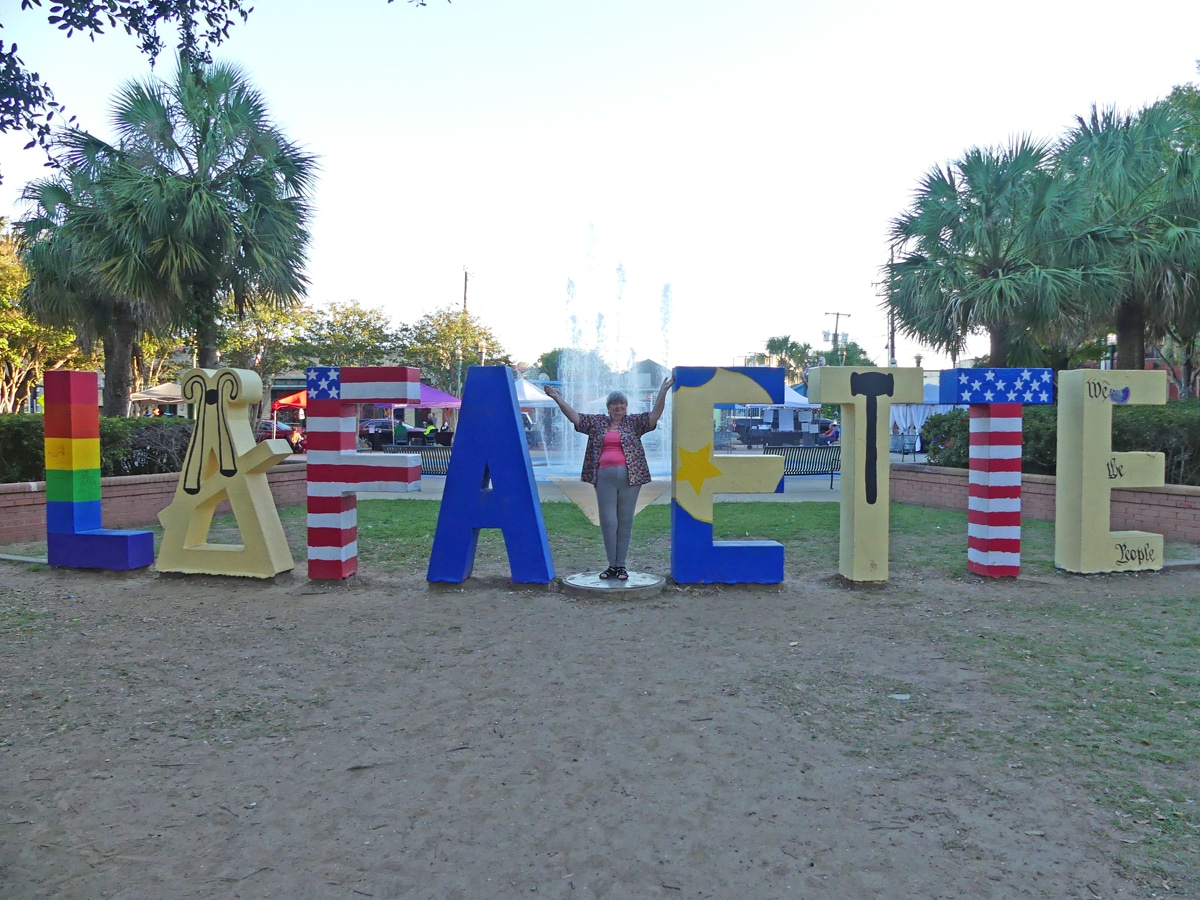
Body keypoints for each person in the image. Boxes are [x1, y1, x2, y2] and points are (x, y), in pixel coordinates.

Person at [545, 376, 674, 581]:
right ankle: (611, 565)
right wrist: (558, 398)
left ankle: (621, 565)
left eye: (622, 403)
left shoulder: (634, 422)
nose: (618, 406)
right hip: (604, 477)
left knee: (625, 520)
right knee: (608, 521)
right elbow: (575, 418)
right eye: (615, 403)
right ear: (608, 407)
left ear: (626, 406)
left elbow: (654, 416)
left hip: (631, 477)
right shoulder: (597, 422)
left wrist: (663, 392)